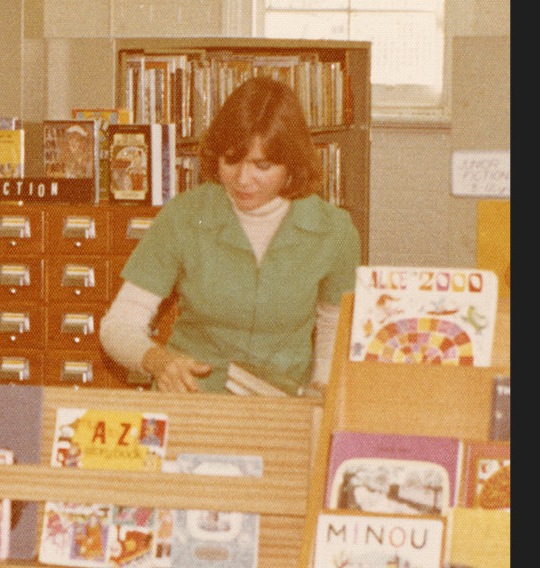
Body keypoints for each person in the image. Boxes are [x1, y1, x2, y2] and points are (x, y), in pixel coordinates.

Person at [100, 77, 360, 394]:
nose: (242, 179)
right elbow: (119, 324)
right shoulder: (183, 216)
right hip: (194, 400)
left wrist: (322, 387)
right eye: (231, 160)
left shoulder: (334, 230)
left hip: (283, 405)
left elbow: (335, 327)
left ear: (291, 165)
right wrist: (158, 360)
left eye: (262, 165)